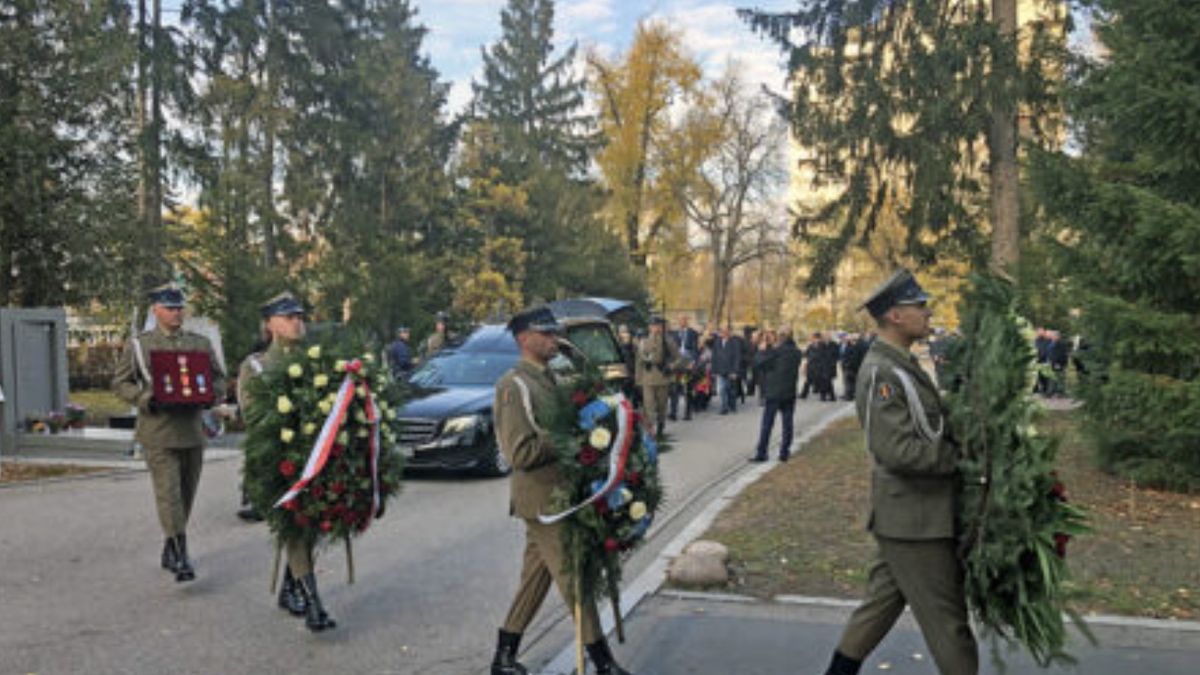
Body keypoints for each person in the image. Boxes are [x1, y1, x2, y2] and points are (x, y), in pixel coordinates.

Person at [820, 269, 977, 675]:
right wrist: (961, 460)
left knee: (879, 608)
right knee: (949, 625)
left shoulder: (901, 365)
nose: (928, 312)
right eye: (919, 305)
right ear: (895, 316)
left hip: (911, 517)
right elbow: (897, 451)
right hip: (915, 521)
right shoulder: (881, 372)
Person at [489, 306, 634, 675]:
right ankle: (602, 663)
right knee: (575, 578)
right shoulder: (514, 385)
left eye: (555, 334)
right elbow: (518, 452)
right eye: (547, 334)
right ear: (525, 339)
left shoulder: (551, 378)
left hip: (562, 496)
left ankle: (504, 656)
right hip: (543, 501)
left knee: (535, 579)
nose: (555, 340)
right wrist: (570, 437)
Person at [112, 283, 226, 583]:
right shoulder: (140, 345)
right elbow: (121, 383)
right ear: (156, 310)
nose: (177, 313)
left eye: (179, 307)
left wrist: (211, 396)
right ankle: (180, 552)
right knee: (169, 493)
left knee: (187, 492)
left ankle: (170, 544)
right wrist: (144, 398)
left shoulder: (199, 344)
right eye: (170, 308)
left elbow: (219, 379)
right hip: (158, 430)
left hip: (191, 429)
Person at [238, 291, 336, 631]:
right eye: (288, 317)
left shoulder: (317, 363)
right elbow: (254, 417)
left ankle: (290, 588)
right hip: (278, 463)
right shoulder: (256, 367)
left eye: (299, 316)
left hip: (315, 461)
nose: (297, 322)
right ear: (270, 325)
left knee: (308, 530)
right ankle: (313, 603)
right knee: (295, 528)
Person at [750, 329, 802, 462]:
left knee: (767, 423)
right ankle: (784, 452)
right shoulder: (797, 352)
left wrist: (762, 350)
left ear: (780, 338)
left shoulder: (775, 352)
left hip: (773, 392)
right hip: (789, 392)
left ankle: (762, 452)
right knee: (787, 423)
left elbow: (758, 364)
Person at [639, 316, 683, 439]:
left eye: (657, 326)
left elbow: (679, 358)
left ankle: (661, 426)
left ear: (661, 327)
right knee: (648, 406)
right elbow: (639, 362)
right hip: (647, 379)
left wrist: (670, 366)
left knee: (662, 406)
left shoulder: (668, 341)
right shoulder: (644, 341)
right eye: (653, 326)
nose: (655, 328)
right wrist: (638, 380)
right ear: (649, 327)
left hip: (662, 378)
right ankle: (650, 430)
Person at [669, 315, 699, 421]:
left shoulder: (693, 333)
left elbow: (695, 349)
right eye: (680, 320)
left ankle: (687, 413)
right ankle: (673, 412)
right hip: (677, 363)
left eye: (684, 320)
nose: (682, 322)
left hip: (687, 363)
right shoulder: (673, 334)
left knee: (688, 389)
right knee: (674, 388)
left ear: (687, 321)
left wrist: (693, 362)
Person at [710, 325, 742, 414]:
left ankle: (732, 405)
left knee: (730, 389)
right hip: (720, 369)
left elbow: (737, 357)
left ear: (729, 332)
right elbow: (714, 357)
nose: (723, 333)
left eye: (725, 331)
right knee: (721, 389)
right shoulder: (717, 342)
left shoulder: (734, 342)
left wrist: (735, 371)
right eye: (722, 331)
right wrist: (714, 370)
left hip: (730, 369)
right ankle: (724, 407)